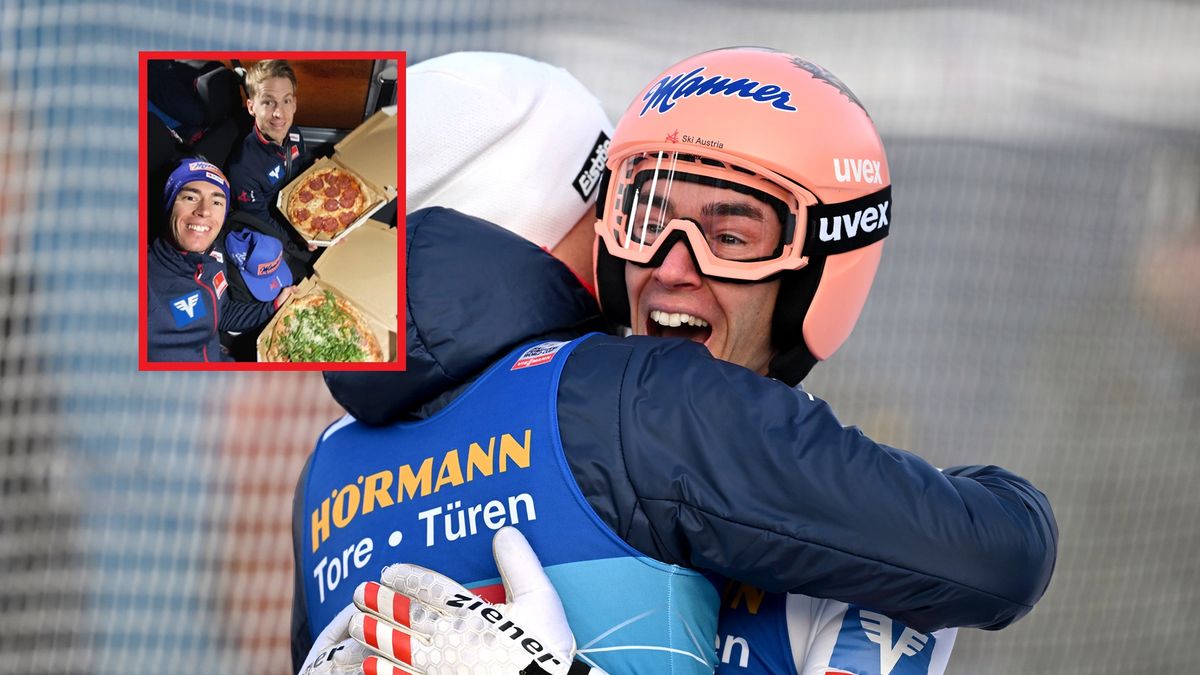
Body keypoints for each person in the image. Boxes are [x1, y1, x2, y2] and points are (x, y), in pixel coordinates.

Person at [295, 49, 1057, 675]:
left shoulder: (323, 475)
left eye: (729, 237)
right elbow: (1002, 555)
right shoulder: (638, 397)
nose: (670, 265)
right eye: (640, 217)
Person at [147, 158, 292, 362]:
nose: (205, 210)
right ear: (170, 205)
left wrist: (273, 307)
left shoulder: (213, 254)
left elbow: (221, 311)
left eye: (216, 202)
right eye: (190, 197)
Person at [225, 59, 316, 281]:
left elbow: (303, 169)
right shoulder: (242, 168)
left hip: (305, 211)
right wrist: (300, 237)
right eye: (268, 102)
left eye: (286, 101)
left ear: (294, 104)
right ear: (251, 107)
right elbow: (261, 223)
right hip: (279, 235)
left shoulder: (294, 134)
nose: (279, 113)